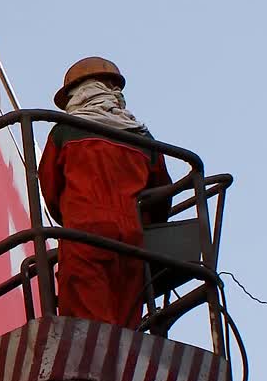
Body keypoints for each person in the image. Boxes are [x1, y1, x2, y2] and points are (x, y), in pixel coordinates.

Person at [38, 57, 173, 329]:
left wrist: (71, 217)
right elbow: (162, 195)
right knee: (126, 328)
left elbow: (50, 188)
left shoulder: (63, 131)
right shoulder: (143, 137)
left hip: (83, 236)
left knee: (88, 330)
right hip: (132, 241)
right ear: (112, 88)